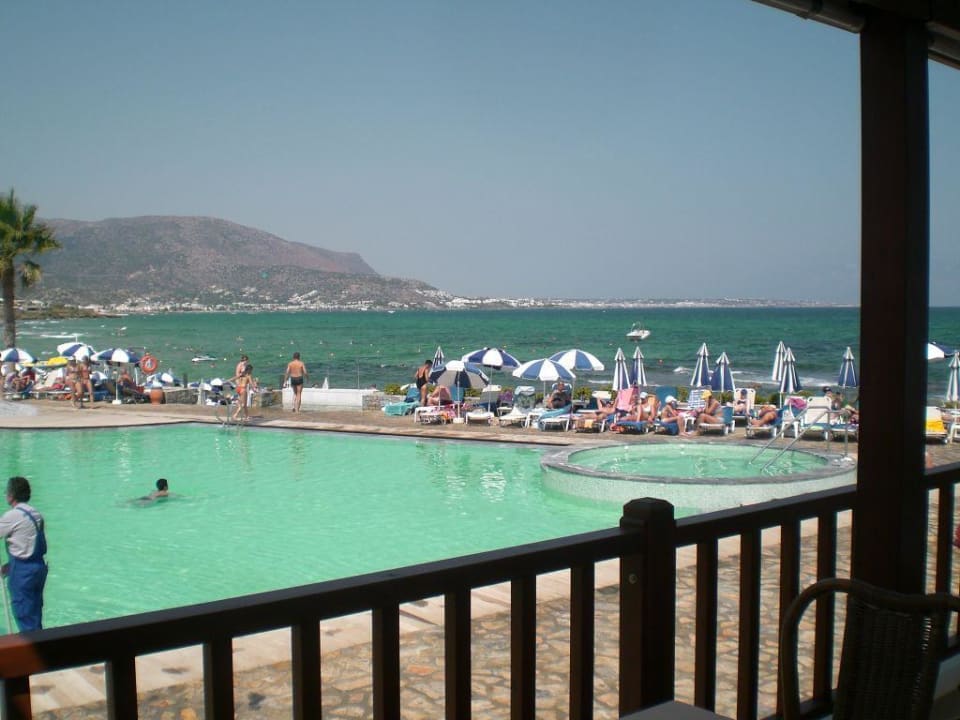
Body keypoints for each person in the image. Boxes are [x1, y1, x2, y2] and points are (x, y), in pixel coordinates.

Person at [0, 476, 48, 632]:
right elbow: (28, 544)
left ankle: (32, 646)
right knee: (35, 615)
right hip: (38, 569)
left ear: (11, 495)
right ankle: (42, 643)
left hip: (23, 575)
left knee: (25, 617)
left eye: (7, 491)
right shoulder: (36, 514)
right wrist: (10, 566)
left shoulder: (12, 516)